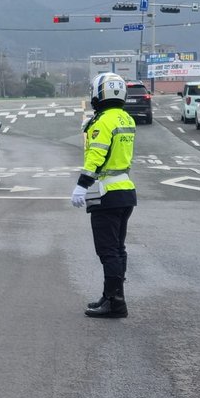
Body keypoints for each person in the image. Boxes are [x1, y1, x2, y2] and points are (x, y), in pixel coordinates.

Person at [70, 72, 137, 319]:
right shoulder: (125, 118)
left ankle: (115, 302)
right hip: (125, 190)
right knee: (118, 249)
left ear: (99, 94)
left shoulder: (103, 121)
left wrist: (81, 185)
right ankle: (112, 296)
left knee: (108, 251)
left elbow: (96, 156)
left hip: (106, 193)